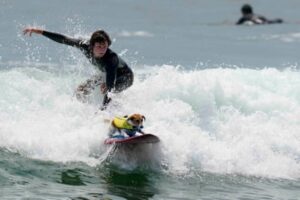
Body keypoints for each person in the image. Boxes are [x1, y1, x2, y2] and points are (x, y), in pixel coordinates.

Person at [23, 28, 134, 108]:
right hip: (106, 74)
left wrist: (107, 88)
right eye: (99, 46)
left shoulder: (111, 59)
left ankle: (110, 115)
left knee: (107, 92)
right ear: (91, 46)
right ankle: (87, 111)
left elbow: (110, 86)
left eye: (104, 46)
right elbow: (64, 39)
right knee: (81, 91)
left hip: (125, 77)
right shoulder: (84, 45)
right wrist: (41, 32)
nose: (102, 50)